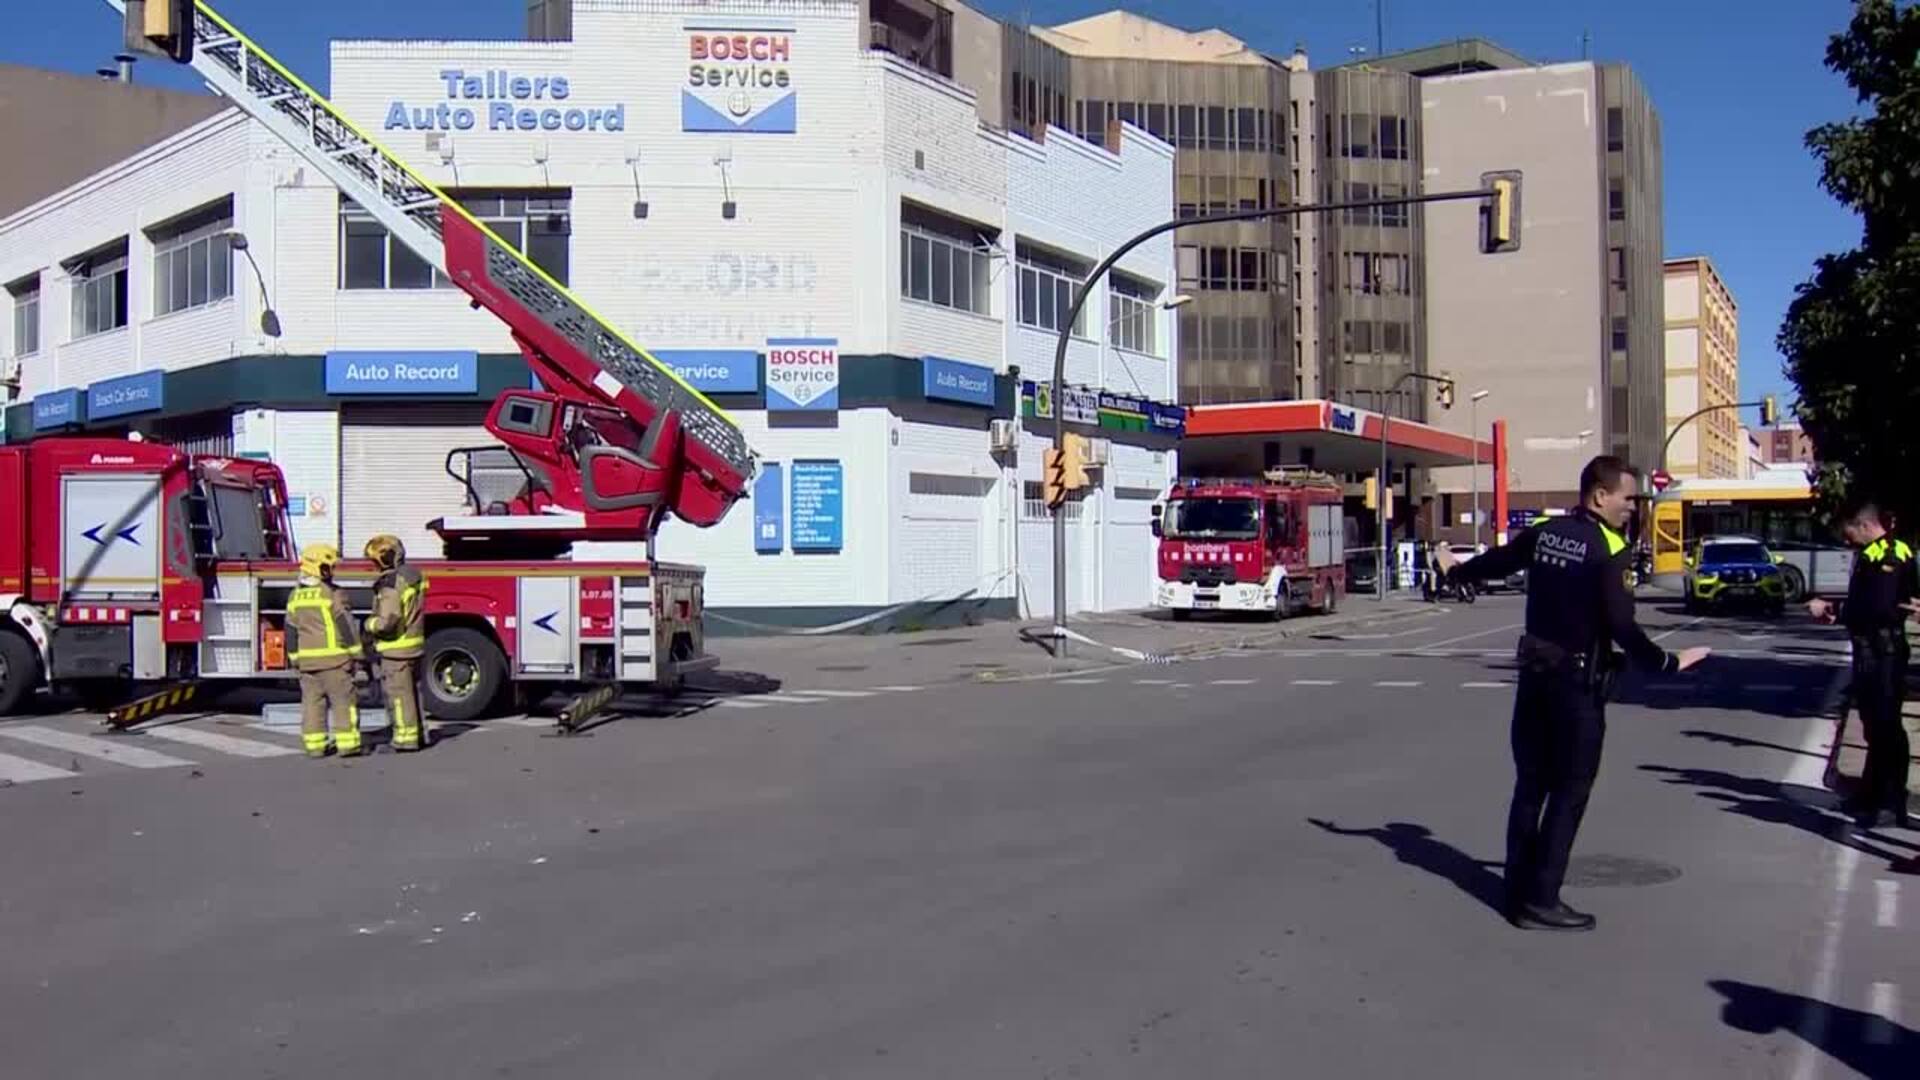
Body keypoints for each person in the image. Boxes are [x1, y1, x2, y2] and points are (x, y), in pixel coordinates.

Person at [1451, 456, 1710, 931]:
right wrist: (1670, 663)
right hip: (1576, 686)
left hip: (1533, 677)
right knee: (1570, 792)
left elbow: (1499, 561)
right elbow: (1622, 627)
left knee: (1530, 786)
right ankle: (1542, 899)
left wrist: (1455, 572)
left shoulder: (1548, 532)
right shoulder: (1609, 549)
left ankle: (1515, 891)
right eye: (1629, 498)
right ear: (1600, 496)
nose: (1634, 507)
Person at [1809, 501, 1917, 829]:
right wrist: (1839, 610)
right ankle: (1871, 794)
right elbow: (1870, 602)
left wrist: (1836, 612)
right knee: (1876, 726)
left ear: (1865, 525)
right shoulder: (1883, 552)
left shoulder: (1886, 554)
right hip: (1873, 650)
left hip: (1882, 653)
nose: (1848, 540)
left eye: (1850, 533)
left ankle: (1888, 801)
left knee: (1886, 728)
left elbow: (1882, 607)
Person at [286, 543, 363, 759]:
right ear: (318, 567)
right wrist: (357, 654)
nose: (332, 571)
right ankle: (347, 745)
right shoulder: (333, 594)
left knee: (312, 705)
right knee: (343, 703)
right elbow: (346, 626)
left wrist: (295, 658)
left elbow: (290, 630)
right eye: (328, 567)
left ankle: (315, 746)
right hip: (335, 661)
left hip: (308, 665)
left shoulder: (295, 596)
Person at [363, 534, 429, 752]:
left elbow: (388, 621)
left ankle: (404, 740)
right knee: (413, 695)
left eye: (374, 561)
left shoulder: (390, 583)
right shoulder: (413, 575)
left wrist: (369, 625)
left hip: (396, 649)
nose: (373, 566)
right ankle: (419, 734)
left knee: (399, 697)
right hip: (413, 646)